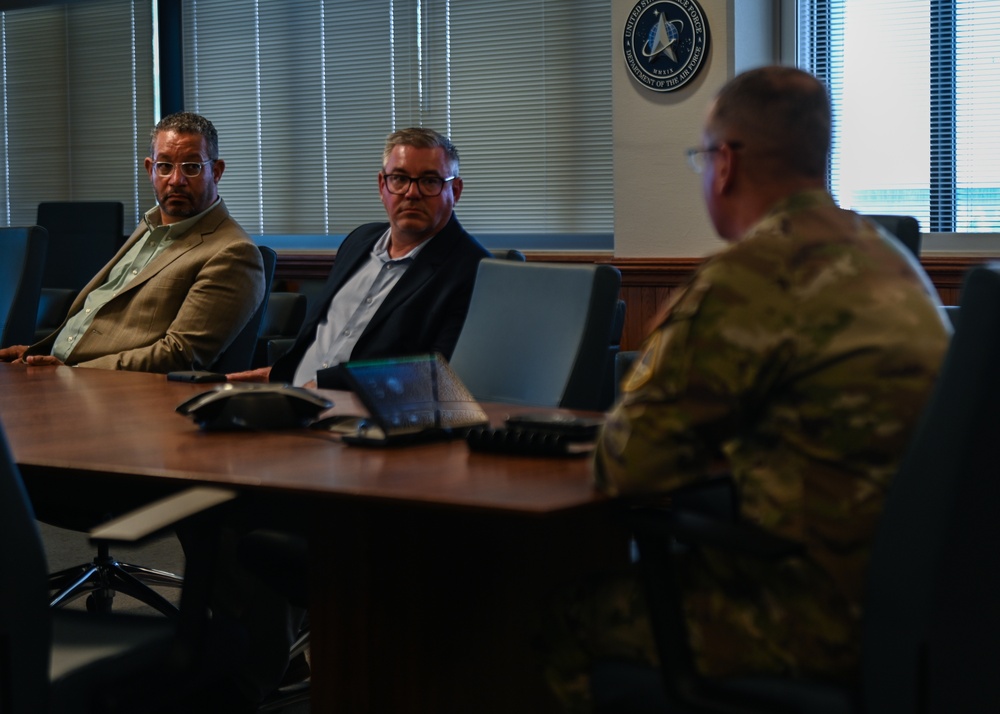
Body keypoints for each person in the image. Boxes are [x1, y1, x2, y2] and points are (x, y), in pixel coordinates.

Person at [544, 66, 951, 711]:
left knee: (542, 618)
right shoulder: (888, 258)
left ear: (725, 163)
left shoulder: (749, 277)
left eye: (700, 158)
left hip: (804, 616)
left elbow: (626, 465)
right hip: (926, 612)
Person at [0, 112, 264, 373]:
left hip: (114, 393)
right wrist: (36, 353)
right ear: (150, 169)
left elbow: (181, 354)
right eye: (165, 166)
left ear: (216, 172)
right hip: (57, 373)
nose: (176, 180)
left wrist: (69, 371)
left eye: (192, 167)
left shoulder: (234, 253)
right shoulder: (148, 227)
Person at [228, 126, 490, 388]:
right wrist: (275, 376)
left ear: (455, 191)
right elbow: (322, 340)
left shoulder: (476, 271)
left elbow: (438, 377)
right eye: (399, 178)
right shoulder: (359, 242)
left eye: (430, 181)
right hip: (292, 400)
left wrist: (326, 385)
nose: (411, 193)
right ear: (381, 185)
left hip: (368, 419)